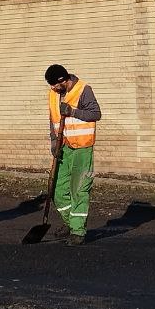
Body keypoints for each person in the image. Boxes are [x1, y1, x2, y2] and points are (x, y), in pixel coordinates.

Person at [44, 64, 101, 247]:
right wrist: (54, 142)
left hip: (83, 149)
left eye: (54, 84)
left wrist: (72, 111)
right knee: (57, 190)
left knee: (79, 188)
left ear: (62, 80)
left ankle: (78, 231)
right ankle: (70, 222)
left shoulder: (83, 90)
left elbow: (95, 113)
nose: (52, 88)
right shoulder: (53, 94)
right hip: (64, 148)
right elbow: (52, 120)